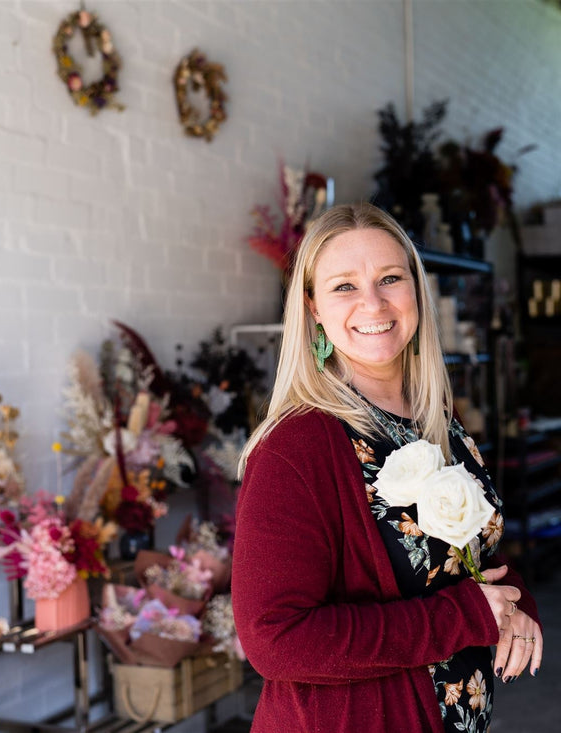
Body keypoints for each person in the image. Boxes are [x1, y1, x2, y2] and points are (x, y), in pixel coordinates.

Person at [232, 202, 542, 732]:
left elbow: (462, 557)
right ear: (313, 309)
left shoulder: (435, 421)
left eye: (390, 278)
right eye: (344, 286)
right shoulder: (299, 446)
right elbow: (275, 641)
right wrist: (463, 617)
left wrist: (515, 604)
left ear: (417, 291)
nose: (373, 303)